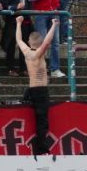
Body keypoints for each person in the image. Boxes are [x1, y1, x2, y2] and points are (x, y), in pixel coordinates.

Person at [16, 17, 57, 155]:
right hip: (41, 91)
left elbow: (19, 40)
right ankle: (42, 150)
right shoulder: (38, 54)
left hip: (30, 90)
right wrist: (54, 25)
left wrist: (18, 23)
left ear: (30, 42)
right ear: (39, 45)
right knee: (42, 122)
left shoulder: (27, 52)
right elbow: (48, 41)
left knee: (32, 118)